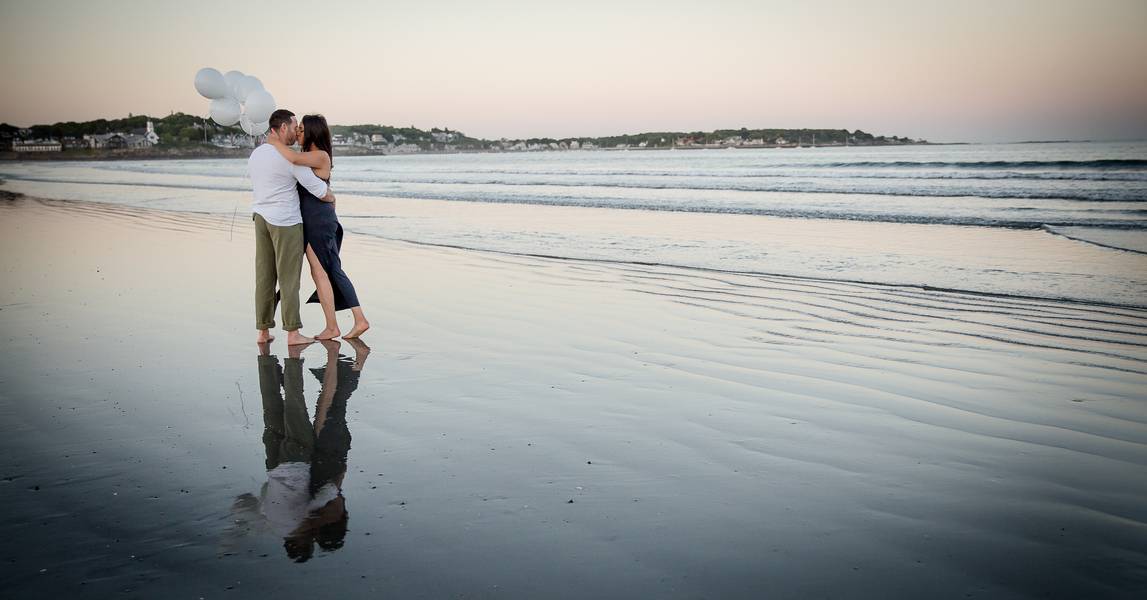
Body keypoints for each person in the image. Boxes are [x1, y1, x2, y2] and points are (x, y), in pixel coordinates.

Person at [267, 114, 370, 340]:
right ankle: (342, 323)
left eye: (302, 129)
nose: (298, 133)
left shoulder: (320, 155)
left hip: (318, 219)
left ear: (313, 131)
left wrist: (274, 142)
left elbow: (292, 158)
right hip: (313, 218)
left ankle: (351, 322)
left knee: (327, 269)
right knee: (323, 270)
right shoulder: (308, 156)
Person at [249, 108, 336, 345]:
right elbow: (317, 189)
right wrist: (331, 198)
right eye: (294, 126)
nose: (296, 132)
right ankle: (293, 333)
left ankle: (263, 332)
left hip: (260, 218)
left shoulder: (256, 155)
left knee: (265, 276)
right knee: (289, 279)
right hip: (285, 221)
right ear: (283, 127)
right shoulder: (288, 157)